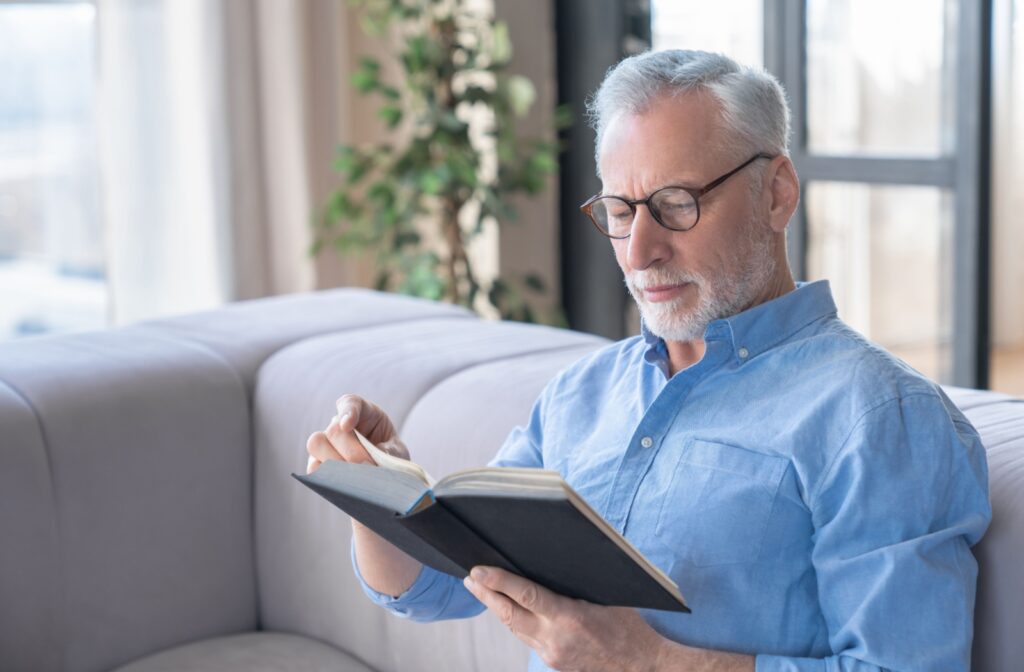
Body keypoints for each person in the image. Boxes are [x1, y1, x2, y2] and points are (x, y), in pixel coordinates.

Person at [305, 50, 991, 672]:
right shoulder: (582, 393)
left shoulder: (877, 416)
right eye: (620, 210)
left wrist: (652, 663)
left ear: (776, 193)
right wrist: (384, 499)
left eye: (676, 204)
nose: (638, 252)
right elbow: (437, 591)